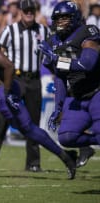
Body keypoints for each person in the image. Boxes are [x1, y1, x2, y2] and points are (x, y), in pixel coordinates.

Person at [0, 12, 78, 180]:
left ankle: (66, 157)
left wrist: (5, 92)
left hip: (1, 90)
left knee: (27, 128)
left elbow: (8, 66)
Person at [0, 0, 50, 172]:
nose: (29, 13)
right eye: (26, 10)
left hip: (34, 79)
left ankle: (33, 163)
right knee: (2, 120)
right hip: (15, 80)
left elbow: (51, 51)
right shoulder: (10, 30)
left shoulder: (43, 30)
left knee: (33, 122)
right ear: (20, 11)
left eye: (31, 10)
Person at [38, 1, 99, 165]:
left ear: (75, 18)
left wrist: (58, 60)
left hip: (97, 91)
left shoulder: (87, 32)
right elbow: (60, 77)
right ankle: (90, 145)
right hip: (77, 96)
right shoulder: (53, 42)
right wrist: (59, 106)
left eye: (65, 18)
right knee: (67, 137)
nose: (61, 22)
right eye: (57, 19)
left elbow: (87, 64)